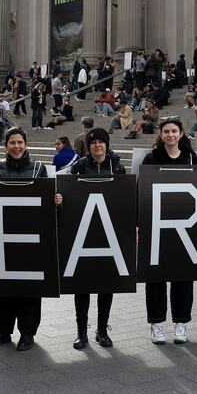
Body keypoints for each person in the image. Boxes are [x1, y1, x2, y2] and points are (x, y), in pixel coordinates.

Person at [0, 128, 59, 351]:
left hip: (31, 236)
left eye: (20, 142)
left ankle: (27, 333)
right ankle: (1, 331)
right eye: (12, 142)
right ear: (6, 146)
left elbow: (49, 200)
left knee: (29, 286)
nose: (17, 146)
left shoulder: (39, 169)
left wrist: (56, 200)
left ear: (26, 144)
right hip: (1, 235)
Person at [141, 119, 197, 344]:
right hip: (157, 224)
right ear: (161, 134)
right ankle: (156, 324)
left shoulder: (191, 157)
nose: (171, 135)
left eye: (174, 131)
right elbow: (143, 190)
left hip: (185, 223)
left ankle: (181, 323)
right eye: (166, 131)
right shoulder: (151, 158)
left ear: (181, 133)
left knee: (183, 276)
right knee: (155, 276)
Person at [68, 128, 126, 349]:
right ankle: (81, 332)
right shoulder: (79, 166)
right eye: (93, 143)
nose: (97, 146)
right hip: (83, 234)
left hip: (108, 234)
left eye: (101, 142)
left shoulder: (118, 167)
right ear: (89, 146)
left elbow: (125, 198)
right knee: (82, 286)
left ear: (106, 145)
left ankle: (102, 330)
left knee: (106, 285)